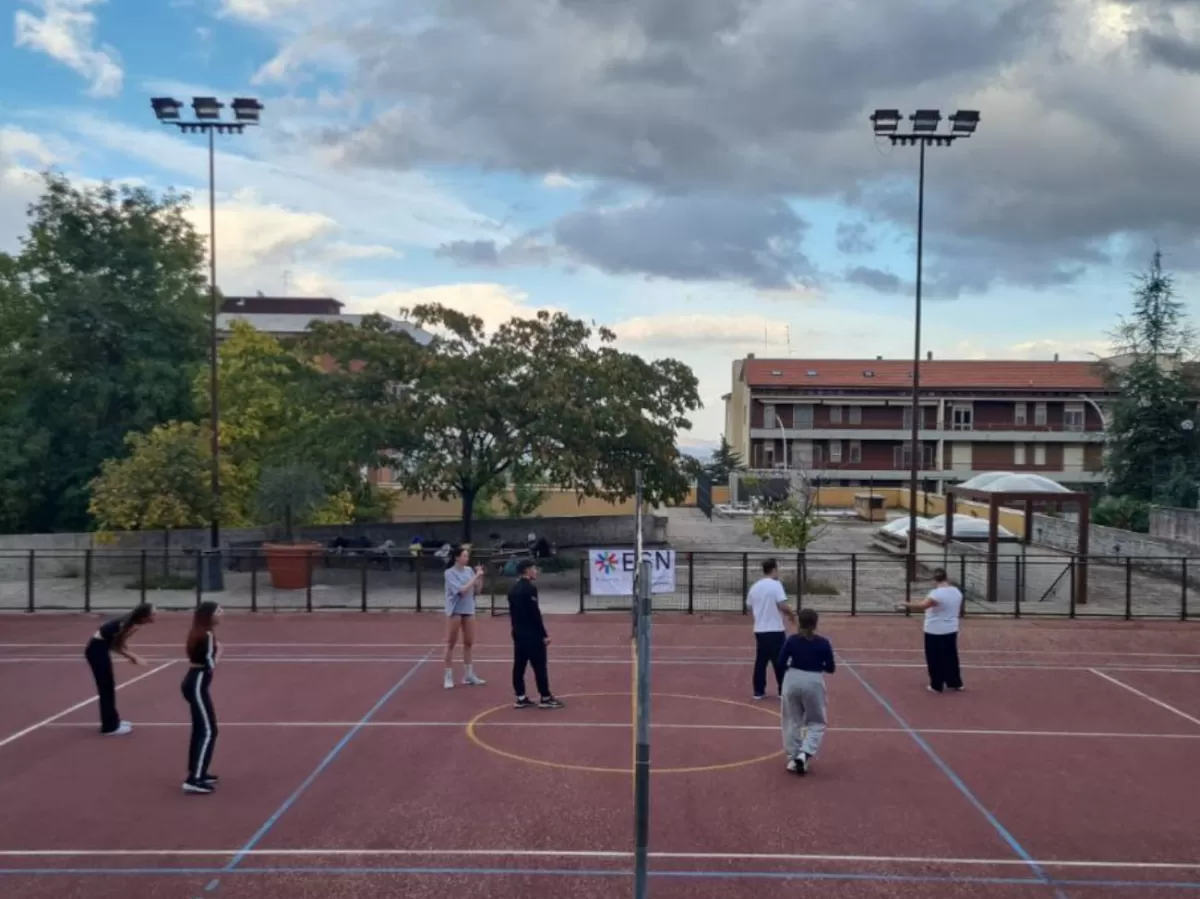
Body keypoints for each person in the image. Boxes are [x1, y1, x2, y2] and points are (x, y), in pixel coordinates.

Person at [83, 602, 155, 736]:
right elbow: (115, 646)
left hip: (100, 650)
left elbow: (119, 642)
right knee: (106, 688)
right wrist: (134, 657)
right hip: (96, 651)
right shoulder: (128, 625)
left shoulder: (130, 624)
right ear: (144, 616)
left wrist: (130, 654)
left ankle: (114, 721)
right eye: (152, 614)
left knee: (108, 686)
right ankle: (109, 727)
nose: (155, 616)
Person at [779, 608, 836, 775]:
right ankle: (805, 753)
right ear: (815, 624)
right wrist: (817, 664)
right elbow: (831, 668)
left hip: (792, 678)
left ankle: (793, 758)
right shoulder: (823, 643)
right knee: (817, 722)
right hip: (814, 680)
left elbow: (780, 662)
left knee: (791, 720)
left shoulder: (792, 640)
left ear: (799, 623)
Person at [895, 567, 965, 693]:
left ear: (935, 579)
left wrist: (904, 603)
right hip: (951, 628)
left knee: (934, 658)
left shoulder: (936, 594)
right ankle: (955, 682)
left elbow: (922, 605)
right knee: (951, 656)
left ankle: (936, 685)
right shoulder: (956, 592)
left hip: (935, 629)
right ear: (946, 577)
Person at [507, 559, 564, 709]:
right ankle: (545, 697)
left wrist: (514, 630)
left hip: (518, 632)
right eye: (533, 568)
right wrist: (544, 634)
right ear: (527, 570)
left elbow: (512, 614)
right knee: (539, 666)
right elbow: (534, 614)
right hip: (532, 634)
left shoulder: (512, 589)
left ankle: (520, 696)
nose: (536, 571)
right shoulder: (530, 589)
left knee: (519, 666)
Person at [182, 601, 222, 794]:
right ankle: (194, 779)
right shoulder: (207, 635)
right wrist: (219, 652)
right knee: (209, 730)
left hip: (195, 683)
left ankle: (199, 771)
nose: (222, 614)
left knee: (200, 729)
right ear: (210, 615)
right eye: (219, 611)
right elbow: (209, 665)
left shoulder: (201, 633)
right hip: (197, 684)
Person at [745, 558, 796, 700]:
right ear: (774, 569)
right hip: (774, 628)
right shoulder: (776, 585)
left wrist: (759, 614)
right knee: (780, 660)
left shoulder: (755, 586)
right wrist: (792, 615)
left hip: (760, 629)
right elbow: (782, 605)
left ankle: (758, 691)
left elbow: (749, 606)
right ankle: (782, 690)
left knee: (761, 660)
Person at [443, 545, 487, 690]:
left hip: (469, 609)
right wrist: (475, 576)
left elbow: (477, 591)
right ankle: (448, 676)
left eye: (467, 556)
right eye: (464, 556)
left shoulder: (469, 571)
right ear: (457, 557)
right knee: (451, 642)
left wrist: (480, 577)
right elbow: (461, 591)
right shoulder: (449, 573)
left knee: (469, 642)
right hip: (455, 610)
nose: (467, 558)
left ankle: (468, 675)